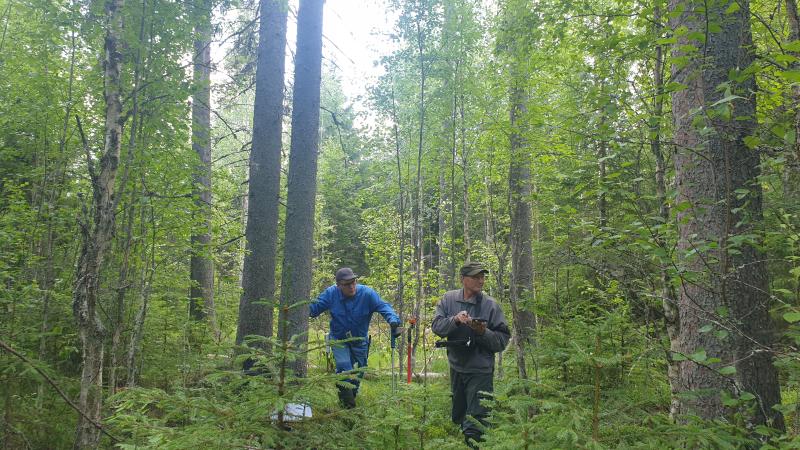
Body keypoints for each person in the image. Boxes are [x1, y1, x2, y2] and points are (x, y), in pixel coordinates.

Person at [432, 261, 510, 447]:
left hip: (480, 370)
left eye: (482, 277)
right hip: (457, 367)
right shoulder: (449, 299)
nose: (481, 281)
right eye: (476, 277)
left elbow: (501, 341)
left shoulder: (491, 305)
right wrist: (456, 320)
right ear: (463, 279)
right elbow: (437, 327)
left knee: (477, 423)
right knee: (459, 416)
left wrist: (482, 332)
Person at [309, 267, 402, 408]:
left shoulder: (367, 294)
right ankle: (349, 407)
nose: (351, 286)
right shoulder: (331, 294)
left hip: (360, 341)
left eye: (353, 282)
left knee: (357, 374)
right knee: (344, 367)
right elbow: (313, 309)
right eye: (347, 284)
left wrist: (393, 320)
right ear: (338, 285)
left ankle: (347, 403)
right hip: (339, 339)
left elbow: (383, 306)